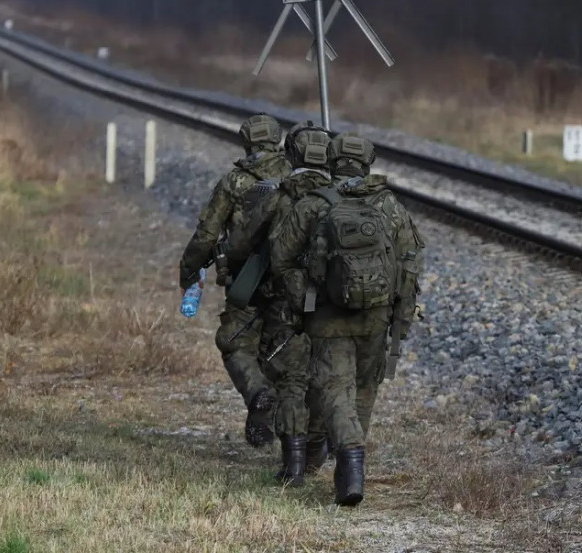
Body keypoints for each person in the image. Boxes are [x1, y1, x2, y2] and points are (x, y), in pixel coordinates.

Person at [269, 132, 424, 505]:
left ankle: (351, 464)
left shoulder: (312, 205)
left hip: (327, 316)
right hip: (377, 316)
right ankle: (351, 471)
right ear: (368, 161)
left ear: (332, 160)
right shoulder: (389, 205)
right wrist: (398, 310)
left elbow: (280, 259)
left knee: (335, 389)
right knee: (364, 389)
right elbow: (410, 262)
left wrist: (305, 294)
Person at [224, 121, 333, 486]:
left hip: (286, 300)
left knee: (290, 378)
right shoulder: (343, 197)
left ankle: (294, 466)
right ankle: (321, 450)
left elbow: (240, 244)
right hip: (334, 304)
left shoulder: (276, 195)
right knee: (326, 377)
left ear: (292, 154)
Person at [178, 113, 292, 447]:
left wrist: (189, 272)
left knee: (234, 343)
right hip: (292, 284)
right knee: (285, 348)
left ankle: (258, 393)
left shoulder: (234, 181)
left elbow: (207, 233)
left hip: (246, 282)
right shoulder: (296, 177)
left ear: (246, 142)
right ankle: (297, 435)